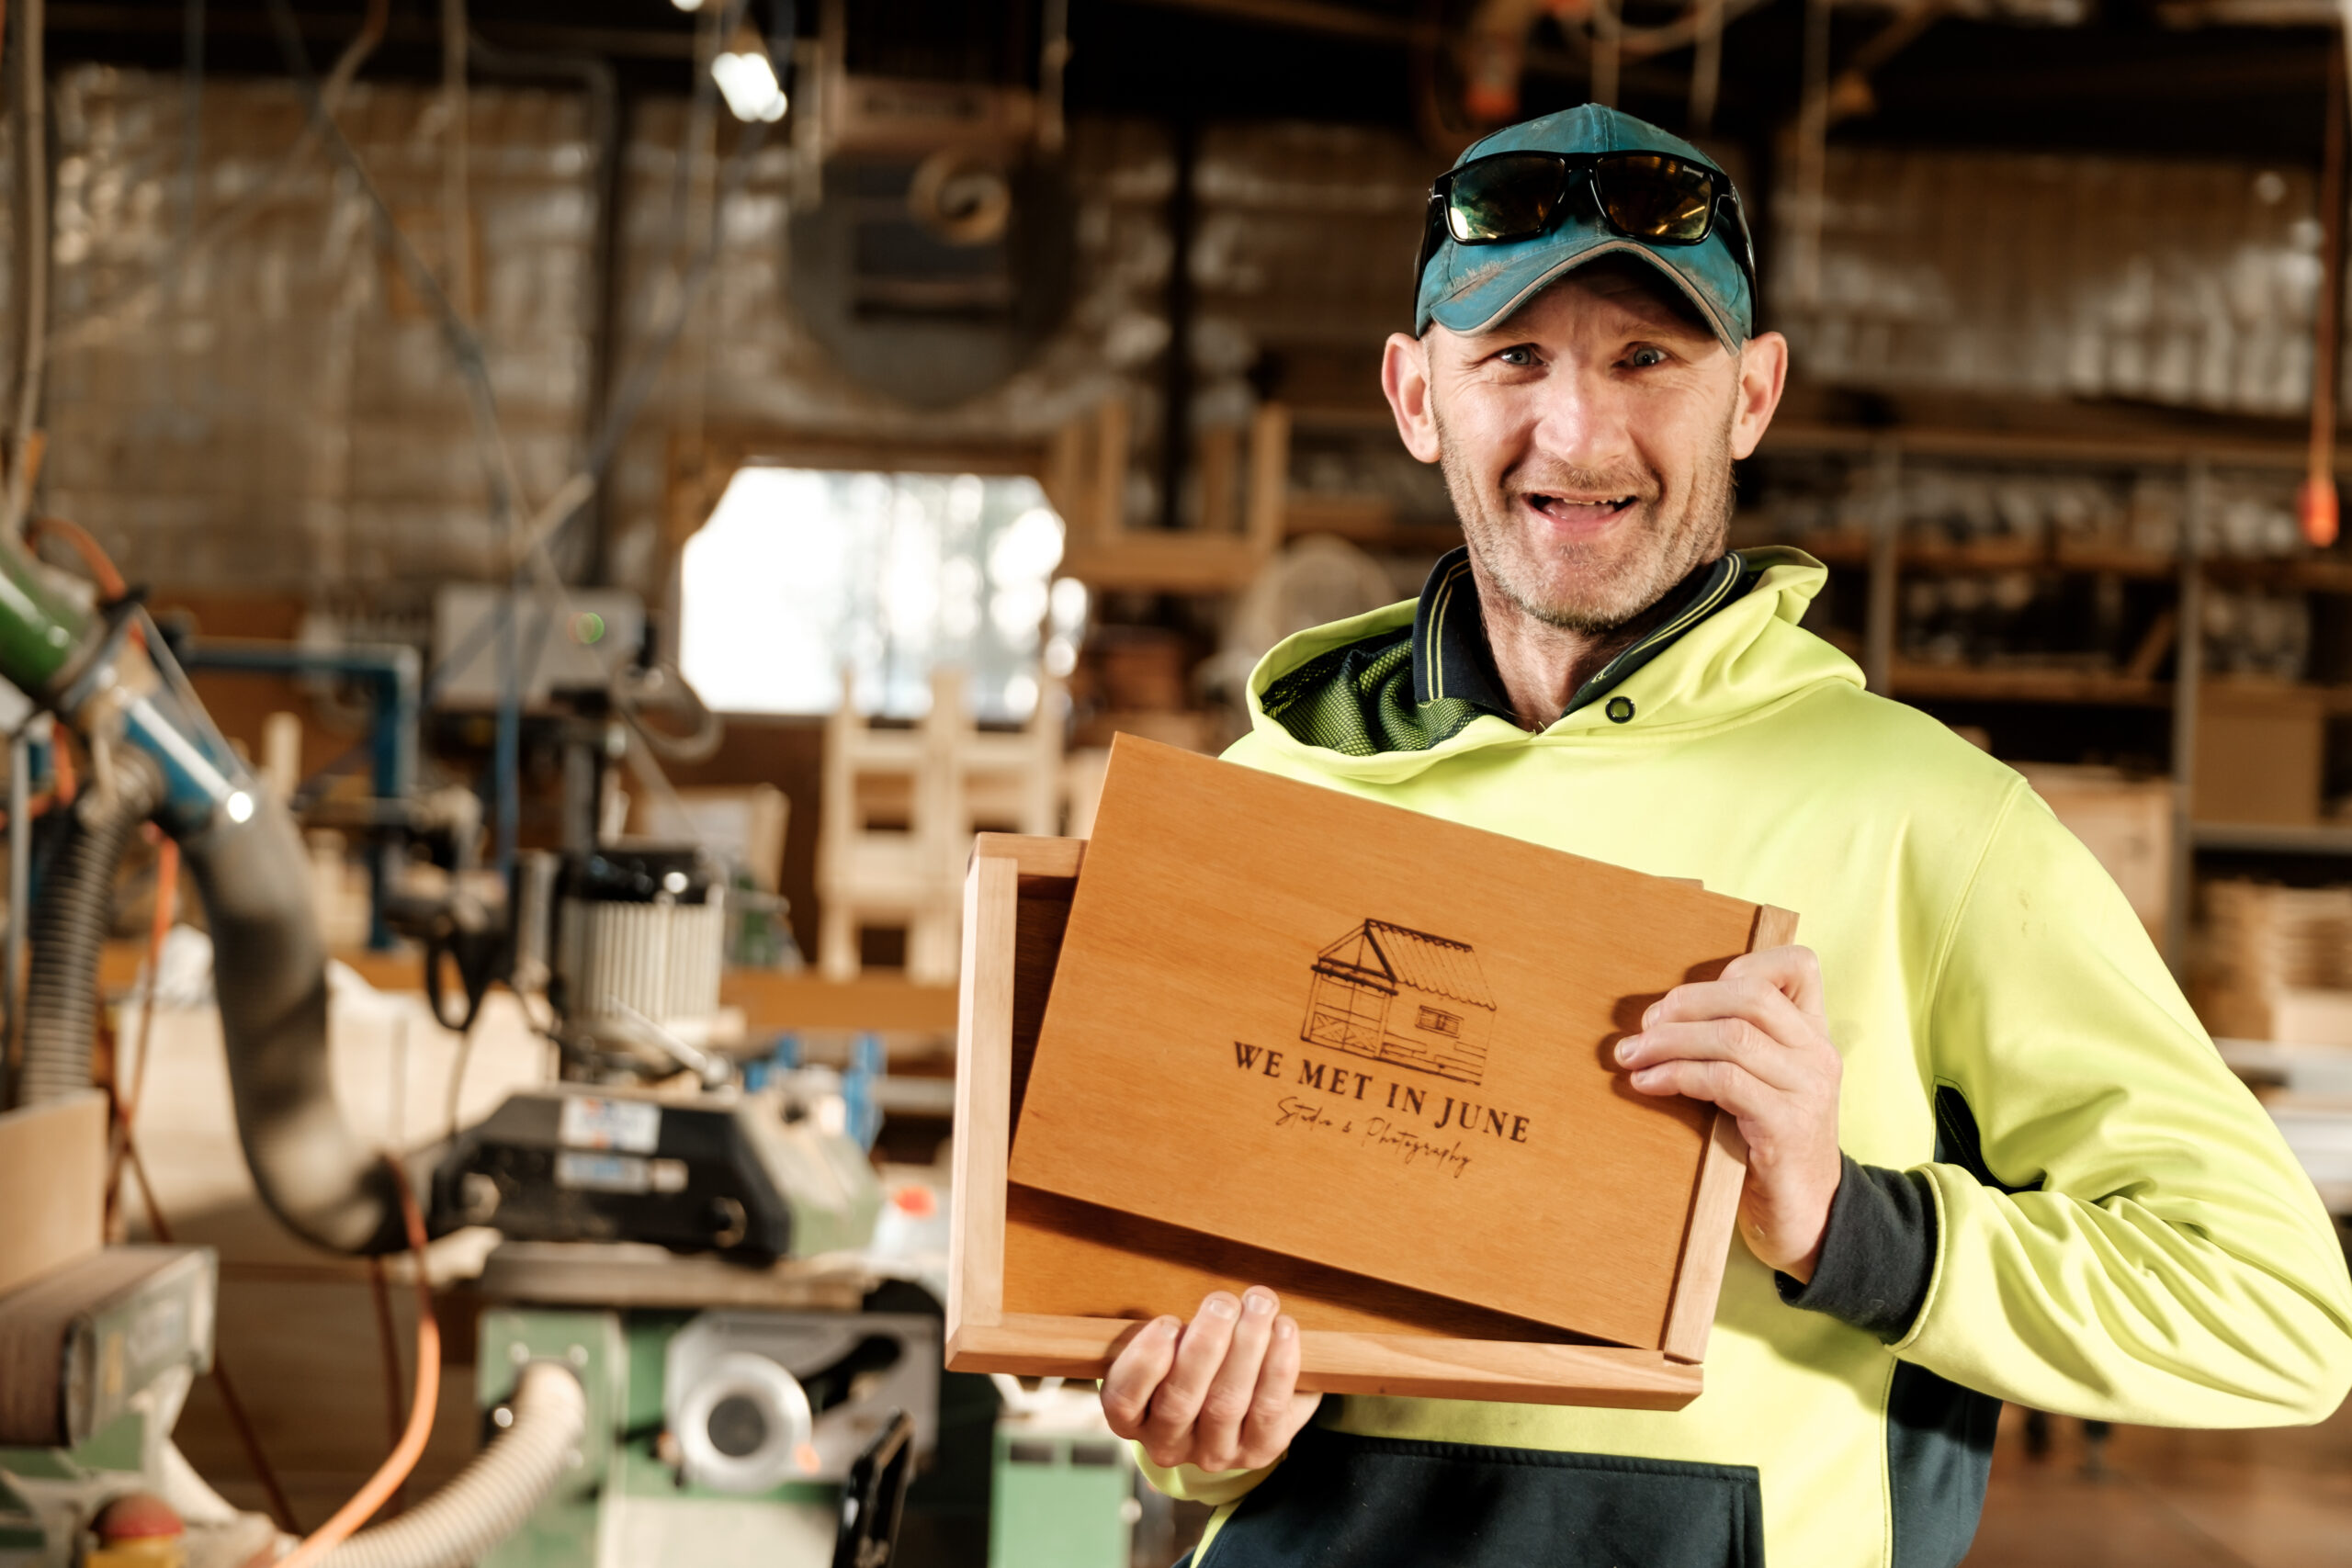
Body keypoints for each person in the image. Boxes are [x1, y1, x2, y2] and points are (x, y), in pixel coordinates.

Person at [1096, 103, 2352, 1568]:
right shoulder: (1265, 802)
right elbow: (1168, 1353)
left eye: (1647, 359)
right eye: (1513, 358)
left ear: (1751, 396)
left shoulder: (1927, 822)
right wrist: (1202, 1435)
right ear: (1416, 394)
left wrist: (1845, 1225)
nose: (1578, 434)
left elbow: (2276, 1314)